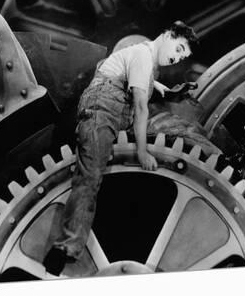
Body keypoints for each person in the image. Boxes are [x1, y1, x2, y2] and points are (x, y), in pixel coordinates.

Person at [43, 21, 199, 275]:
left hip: (115, 115)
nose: (177, 58)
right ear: (167, 35)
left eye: (183, 56)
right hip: (102, 114)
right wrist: (141, 151)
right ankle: (64, 249)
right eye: (179, 48)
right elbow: (140, 107)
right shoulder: (142, 56)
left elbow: (152, 90)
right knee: (89, 177)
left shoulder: (147, 65)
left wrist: (174, 93)